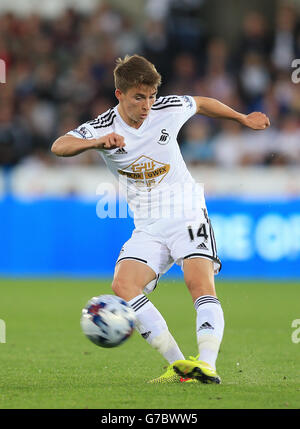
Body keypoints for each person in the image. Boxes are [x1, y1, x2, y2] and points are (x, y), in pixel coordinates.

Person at [51, 54, 270, 384]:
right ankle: (181, 367)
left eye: (151, 96)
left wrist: (241, 118)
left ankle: (207, 363)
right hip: (148, 225)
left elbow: (201, 103)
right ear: (120, 95)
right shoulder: (102, 126)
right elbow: (59, 145)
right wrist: (95, 143)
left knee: (199, 284)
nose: (147, 105)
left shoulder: (167, 109)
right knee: (123, 285)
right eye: (139, 97)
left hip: (186, 212)